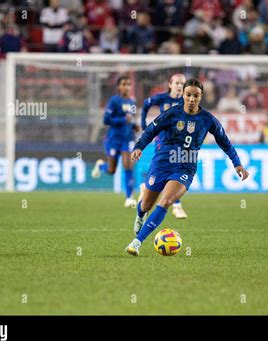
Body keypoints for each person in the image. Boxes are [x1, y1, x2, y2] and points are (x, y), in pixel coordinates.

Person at [125, 78, 249, 256]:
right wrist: (139, 147)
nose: (192, 99)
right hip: (162, 163)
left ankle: (136, 242)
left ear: (201, 97)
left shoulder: (208, 120)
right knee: (146, 204)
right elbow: (151, 130)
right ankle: (140, 213)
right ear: (183, 95)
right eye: (188, 95)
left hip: (185, 168)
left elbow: (225, 142)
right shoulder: (171, 114)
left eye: (196, 96)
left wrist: (237, 163)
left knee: (167, 201)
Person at [140, 73, 188, 219]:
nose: (180, 86)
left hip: (179, 139)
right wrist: (144, 124)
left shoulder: (186, 100)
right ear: (170, 85)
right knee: (167, 166)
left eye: (182, 83)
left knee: (178, 168)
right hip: (163, 138)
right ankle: (177, 206)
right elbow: (146, 104)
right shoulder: (161, 98)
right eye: (177, 83)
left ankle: (147, 186)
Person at [91, 76, 138, 208]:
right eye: (124, 84)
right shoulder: (114, 101)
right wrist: (123, 120)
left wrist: (134, 126)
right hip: (113, 139)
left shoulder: (132, 102)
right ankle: (101, 166)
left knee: (128, 165)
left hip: (128, 139)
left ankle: (129, 198)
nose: (127, 86)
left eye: (129, 84)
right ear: (118, 87)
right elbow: (106, 120)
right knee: (111, 170)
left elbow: (132, 119)